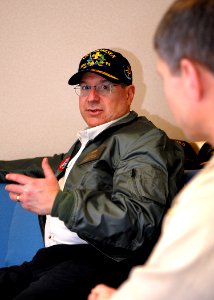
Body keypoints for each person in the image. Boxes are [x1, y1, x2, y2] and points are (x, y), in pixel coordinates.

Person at [0, 48, 184, 299]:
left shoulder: (143, 141)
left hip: (102, 262)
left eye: (105, 87)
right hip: (51, 260)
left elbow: (137, 223)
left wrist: (59, 203)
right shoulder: (90, 141)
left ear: (129, 94)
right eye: (85, 88)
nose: (92, 97)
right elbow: (38, 165)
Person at [87, 1, 214, 300]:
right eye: (85, 88)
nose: (92, 98)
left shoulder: (205, 199)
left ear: (190, 77)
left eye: (162, 77)